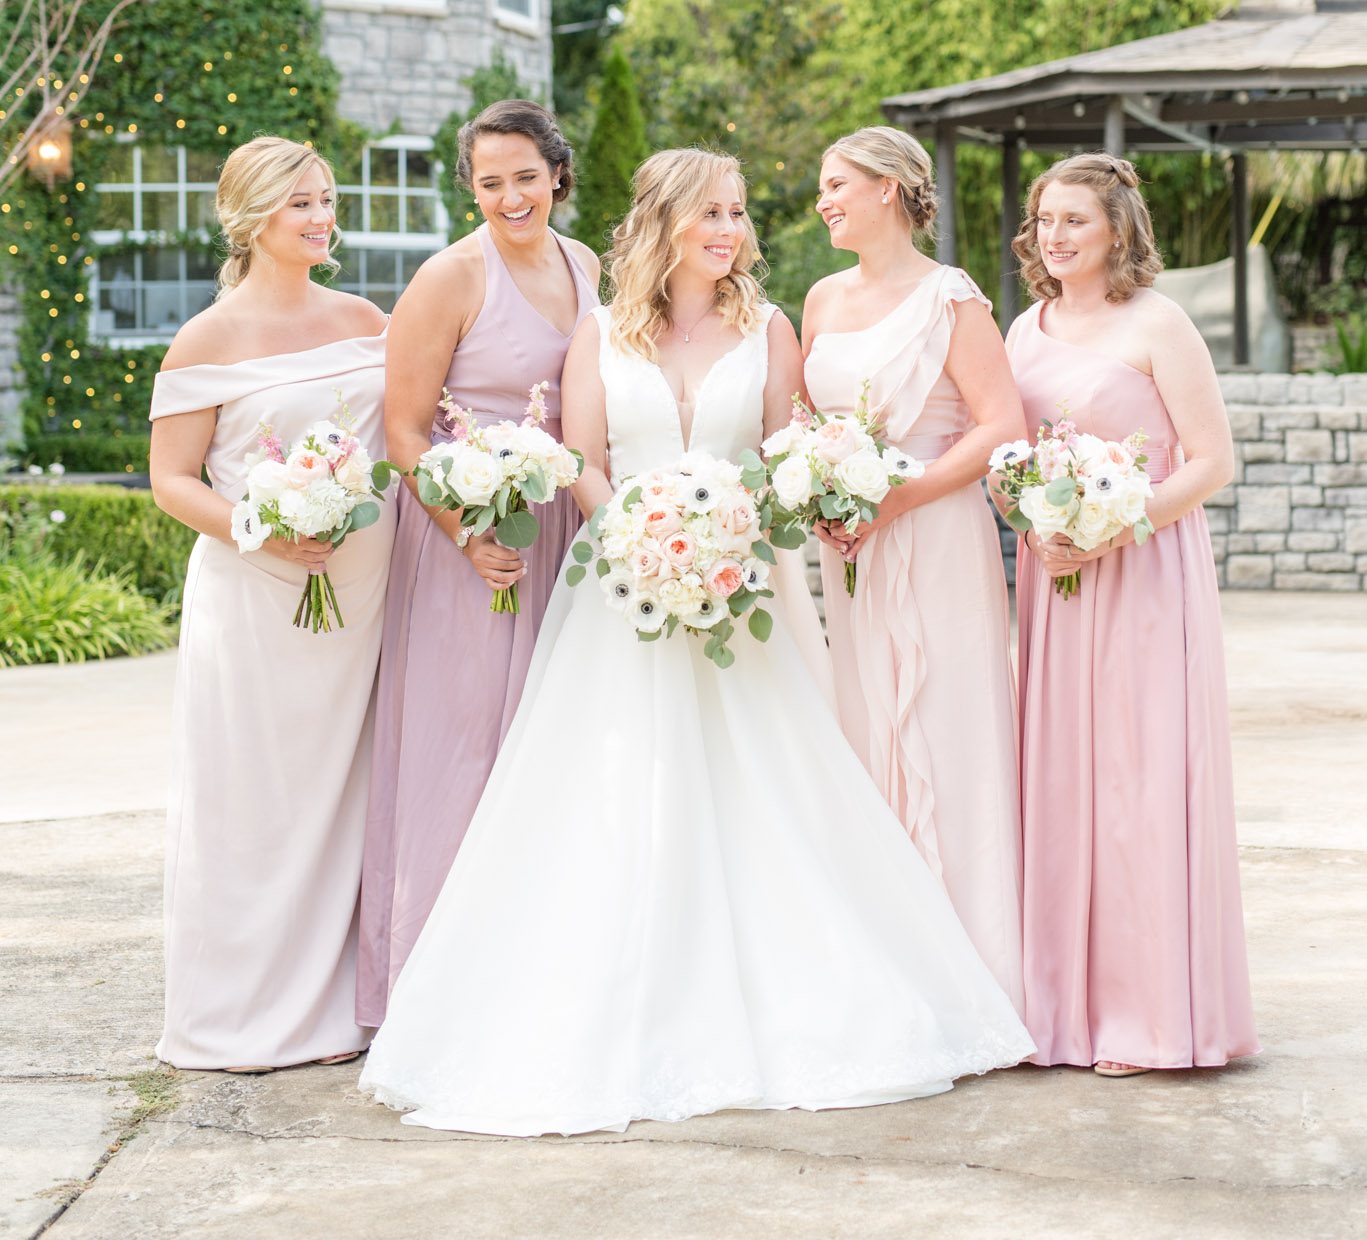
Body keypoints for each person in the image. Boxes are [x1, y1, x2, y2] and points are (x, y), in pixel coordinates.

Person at [359, 148, 1032, 1135]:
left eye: (737, 211)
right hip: (618, 592)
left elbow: (780, 454)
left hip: (737, 587)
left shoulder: (768, 326)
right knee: (608, 798)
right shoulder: (599, 330)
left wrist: (724, 538)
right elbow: (584, 458)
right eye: (712, 211)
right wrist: (631, 533)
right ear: (667, 218)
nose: (730, 228)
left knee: (769, 789)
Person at [1005, 152, 1257, 1075]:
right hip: (1054, 577)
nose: (1055, 236)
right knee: (1062, 781)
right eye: (1043, 220)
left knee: (1137, 780)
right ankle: (1062, 1012)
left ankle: (1149, 1017)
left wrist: (1114, 525)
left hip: (1144, 572)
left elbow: (1208, 460)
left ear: (1116, 229)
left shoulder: (1159, 321)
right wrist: (1028, 514)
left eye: (1075, 219)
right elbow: (1010, 456)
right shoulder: (1021, 328)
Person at [148, 137, 394, 1071]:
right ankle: (239, 1013)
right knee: (253, 797)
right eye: (301, 203)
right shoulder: (206, 337)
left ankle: (339, 1001)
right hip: (255, 599)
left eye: (326, 200)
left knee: (347, 793)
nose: (322, 217)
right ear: (251, 215)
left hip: (360, 598)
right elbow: (171, 481)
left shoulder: (366, 316)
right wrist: (266, 527)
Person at [355, 99, 599, 1024]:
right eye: (490, 182)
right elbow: (404, 433)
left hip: (563, 537)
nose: (509, 197)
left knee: (553, 746)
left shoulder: (587, 267)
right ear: (472, 187)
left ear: (556, 177)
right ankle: (437, 993)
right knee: (462, 751)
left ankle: (540, 972)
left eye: (525, 178)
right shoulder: (448, 279)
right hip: (471, 544)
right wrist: (466, 529)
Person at [802, 127, 1027, 1014]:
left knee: (946, 726)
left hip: (933, 535)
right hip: (847, 547)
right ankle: (889, 961)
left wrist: (900, 495)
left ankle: (975, 970)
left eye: (835, 184)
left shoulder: (951, 299)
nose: (822, 201)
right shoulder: (818, 299)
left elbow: (999, 422)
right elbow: (802, 418)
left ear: (888, 189)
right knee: (864, 724)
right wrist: (820, 489)